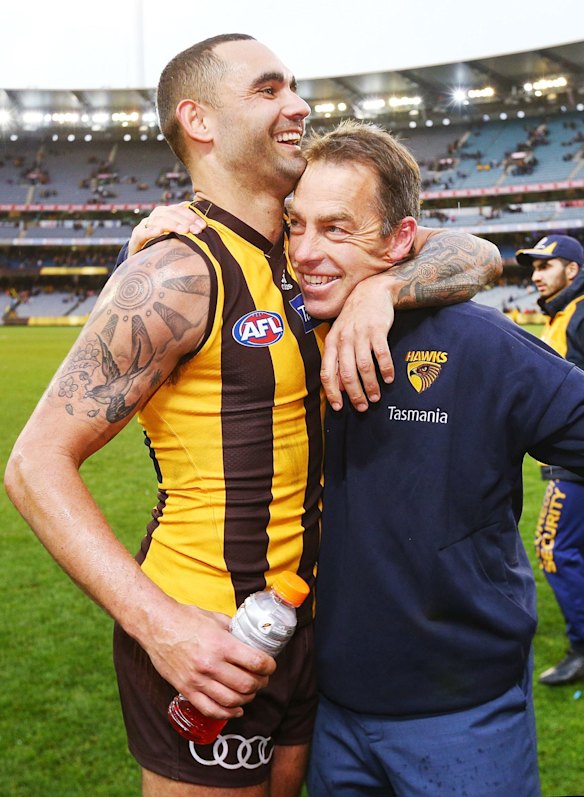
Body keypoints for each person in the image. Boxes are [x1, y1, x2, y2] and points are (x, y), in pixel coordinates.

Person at [4, 35, 500, 797]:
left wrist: (383, 290)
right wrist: (159, 625)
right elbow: (34, 464)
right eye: (269, 90)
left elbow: (477, 253)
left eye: (295, 87)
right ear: (198, 121)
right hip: (204, 632)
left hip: (302, 623)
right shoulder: (173, 270)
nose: (298, 104)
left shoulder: (311, 254)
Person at [277, 120, 584, 796]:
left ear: (398, 241)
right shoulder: (283, 338)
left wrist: (384, 291)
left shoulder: (477, 342)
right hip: (331, 709)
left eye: (336, 229)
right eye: (297, 225)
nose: (306, 251)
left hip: (464, 714)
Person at [515, 234, 584, 685]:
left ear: (572, 271)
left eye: (546, 266)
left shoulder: (580, 315)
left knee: (553, 546)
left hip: (576, 466)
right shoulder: (563, 315)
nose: (536, 276)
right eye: (533, 268)